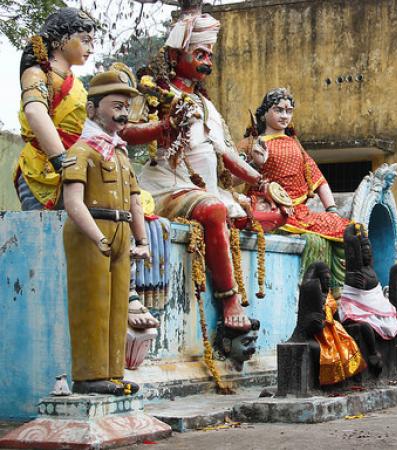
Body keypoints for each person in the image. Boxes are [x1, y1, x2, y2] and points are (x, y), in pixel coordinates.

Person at [119, 8, 262, 332]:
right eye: (199, 53)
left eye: (209, 54)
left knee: (262, 216)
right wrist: (164, 126)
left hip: (203, 187)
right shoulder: (154, 91)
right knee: (213, 210)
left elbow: (226, 155)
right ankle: (229, 301)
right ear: (176, 54)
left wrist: (262, 182)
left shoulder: (206, 105)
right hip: (167, 186)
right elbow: (126, 132)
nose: (207, 60)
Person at [61, 70, 149, 395]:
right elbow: (72, 202)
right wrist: (96, 236)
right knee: (92, 303)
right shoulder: (82, 151)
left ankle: (113, 372)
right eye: (116, 105)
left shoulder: (121, 154)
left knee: (117, 307)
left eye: (126, 106)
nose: (123, 112)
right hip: (91, 229)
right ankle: (89, 375)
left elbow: (136, 200)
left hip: (121, 228)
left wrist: (142, 240)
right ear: (93, 110)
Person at [246, 88, 350, 287]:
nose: (285, 116)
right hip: (272, 212)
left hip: (301, 213)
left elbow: (319, 179)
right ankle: (307, 294)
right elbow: (232, 178)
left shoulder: (295, 146)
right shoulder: (252, 143)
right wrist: (255, 163)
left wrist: (332, 210)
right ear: (264, 112)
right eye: (278, 110)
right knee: (315, 242)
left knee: (348, 232)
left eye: (289, 111)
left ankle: (337, 293)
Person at [14, 8, 96, 210]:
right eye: (85, 40)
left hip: (77, 166)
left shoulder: (76, 84)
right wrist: (61, 160)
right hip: (45, 170)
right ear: (61, 40)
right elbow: (35, 112)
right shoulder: (37, 74)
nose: (91, 48)